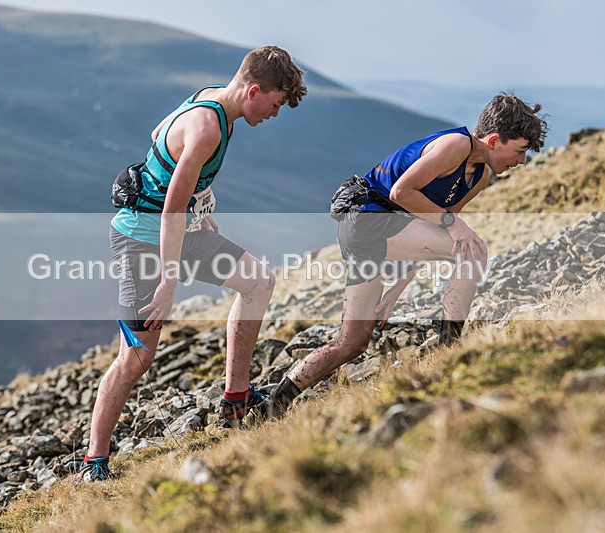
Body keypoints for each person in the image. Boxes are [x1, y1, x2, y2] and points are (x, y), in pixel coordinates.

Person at [77, 46, 307, 482]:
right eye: (276, 104)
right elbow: (170, 210)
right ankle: (94, 461)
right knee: (138, 357)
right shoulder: (207, 129)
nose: (275, 114)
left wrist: (202, 212)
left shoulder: (213, 98)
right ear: (254, 90)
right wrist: (169, 283)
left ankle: (236, 399)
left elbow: (157, 137)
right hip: (142, 241)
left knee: (258, 281)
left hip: (184, 231)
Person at [252, 93, 547, 420]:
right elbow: (401, 194)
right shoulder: (455, 146)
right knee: (472, 249)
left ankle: (273, 404)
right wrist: (455, 223)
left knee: (351, 343)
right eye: (519, 151)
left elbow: (431, 234)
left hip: (375, 235)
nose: (521, 161)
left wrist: (397, 288)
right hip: (365, 220)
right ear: (493, 140)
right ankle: (449, 348)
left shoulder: (478, 178)